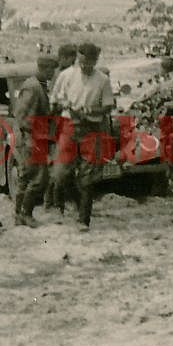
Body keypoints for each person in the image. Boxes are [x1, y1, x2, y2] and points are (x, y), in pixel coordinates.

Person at [50, 42, 115, 231]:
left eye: (90, 63)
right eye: (83, 62)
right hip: (69, 126)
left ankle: (83, 219)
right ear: (79, 59)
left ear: (95, 61)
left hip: (91, 128)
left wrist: (90, 110)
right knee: (60, 173)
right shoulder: (66, 75)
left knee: (88, 178)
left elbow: (108, 105)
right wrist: (67, 105)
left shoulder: (102, 80)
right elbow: (55, 98)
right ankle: (64, 206)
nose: (86, 67)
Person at [11, 56, 59, 227]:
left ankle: (20, 215)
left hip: (34, 138)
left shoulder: (38, 85)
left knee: (27, 177)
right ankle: (25, 214)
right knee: (39, 178)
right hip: (31, 139)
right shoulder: (33, 87)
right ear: (44, 69)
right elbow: (22, 116)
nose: (53, 74)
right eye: (51, 70)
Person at [44, 43, 79, 213]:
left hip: (63, 124)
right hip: (59, 124)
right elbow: (53, 102)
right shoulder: (60, 75)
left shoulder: (63, 74)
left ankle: (56, 201)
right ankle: (53, 201)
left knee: (64, 164)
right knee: (59, 165)